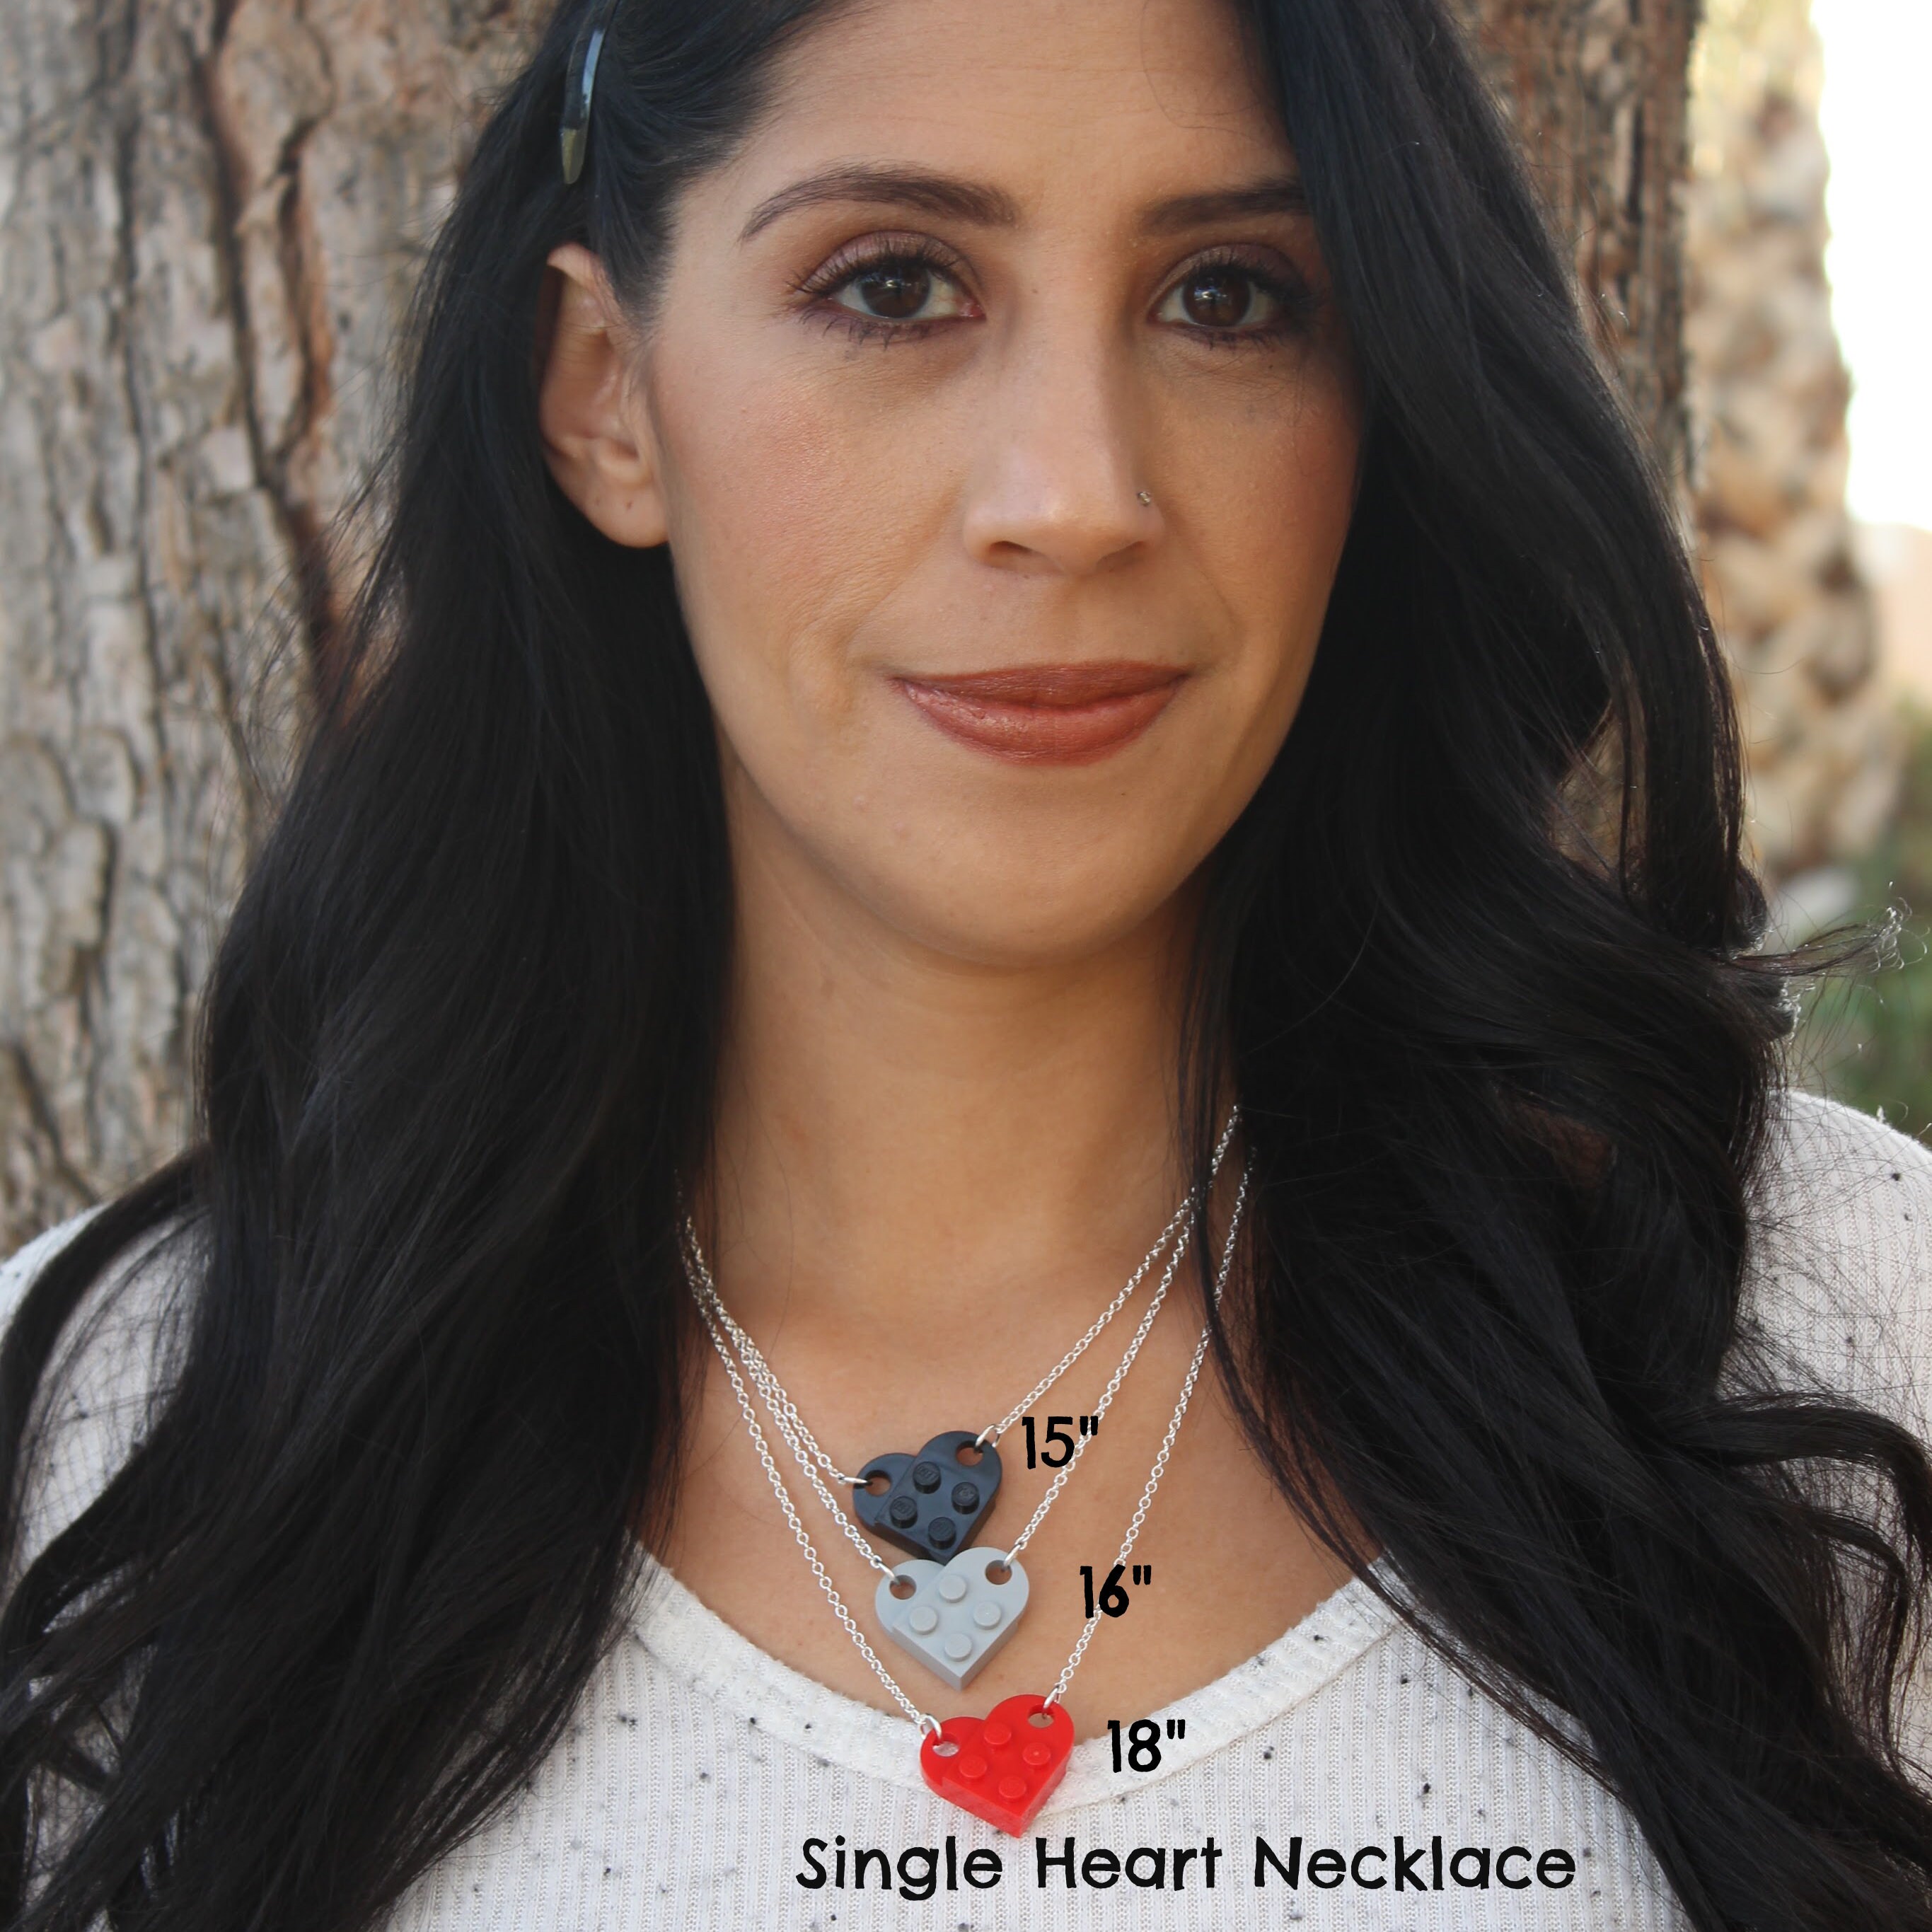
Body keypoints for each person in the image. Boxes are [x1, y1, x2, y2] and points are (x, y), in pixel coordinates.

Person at [2, 0, 1928, 1924]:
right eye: (895, 284)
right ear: (605, 395)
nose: (1074, 495)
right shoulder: (103, 1448)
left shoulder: (1833, 1343)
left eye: (1229, 299)